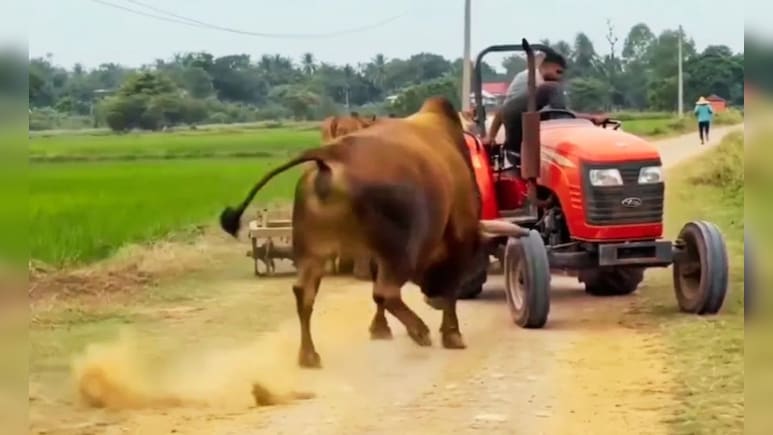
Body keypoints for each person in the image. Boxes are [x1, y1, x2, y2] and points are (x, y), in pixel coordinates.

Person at [483, 48, 608, 158]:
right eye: (558, 72)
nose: (559, 78)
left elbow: (560, 112)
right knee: (552, 89)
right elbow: (505, 109)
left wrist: (591, 119)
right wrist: (491, 136)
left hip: (527, 136)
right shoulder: (533, 80)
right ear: (545, 66)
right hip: (520, 139)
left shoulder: (542, 92)